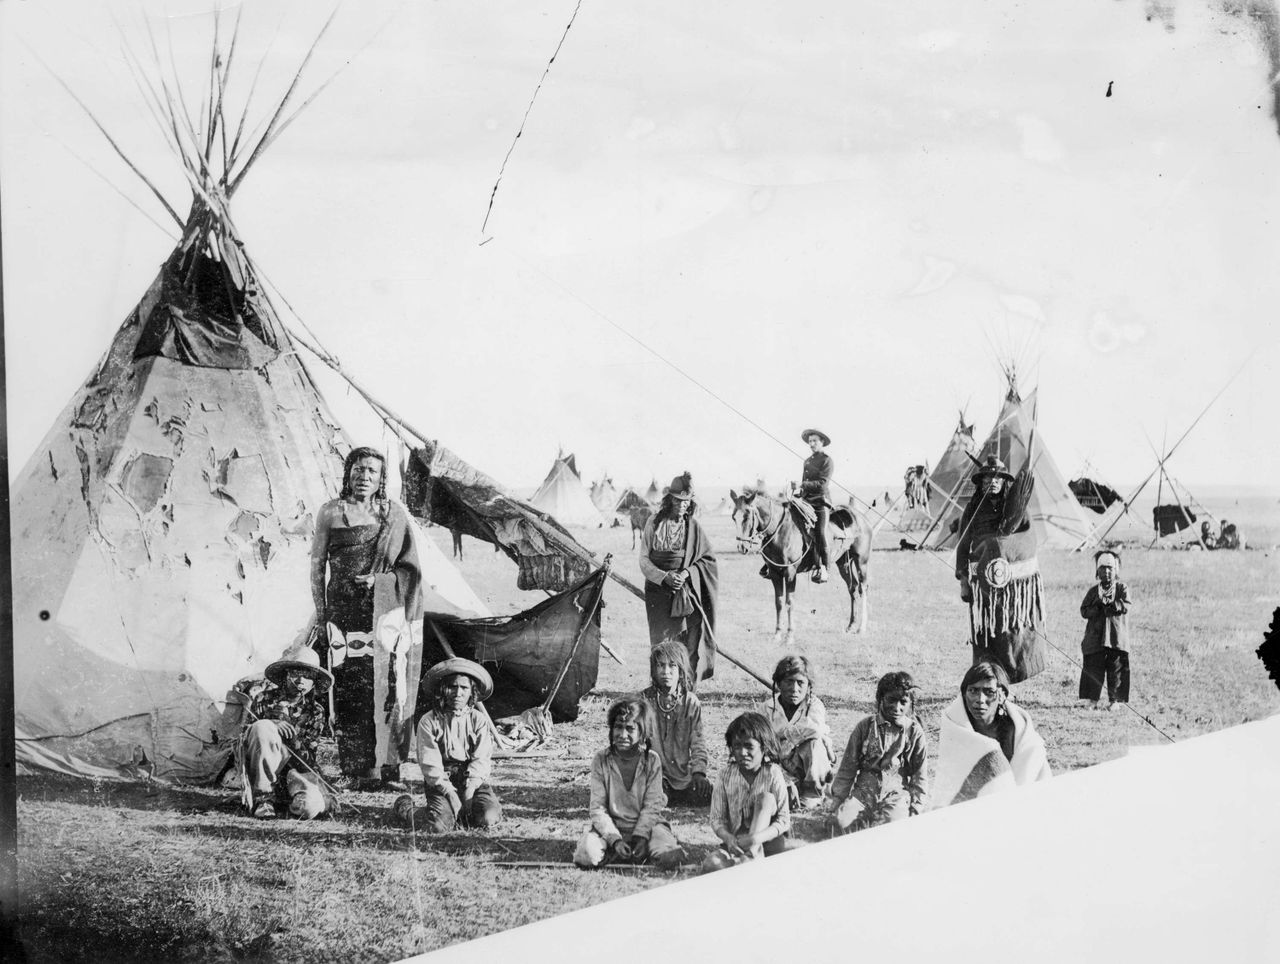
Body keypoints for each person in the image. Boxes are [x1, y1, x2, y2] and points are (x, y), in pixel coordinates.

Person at [311, 446, 424, 791]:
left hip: (383, 614)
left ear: (381, 478)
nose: (364, 477)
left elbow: (410, 569)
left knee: (388, 686)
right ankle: (356, 770)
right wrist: (321, 613)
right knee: (350, 688)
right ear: (348, 472)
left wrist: (381, 581)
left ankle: (388, 770)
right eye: (359, 469)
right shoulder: (330, 512)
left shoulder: (393, 514)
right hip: (343, 613)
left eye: (372, 471)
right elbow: (316, 568)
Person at [954, 453, 1047, 683]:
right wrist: (964, 581)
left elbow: (1028, 539)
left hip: (1012, 588)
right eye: (987, 478)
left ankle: (1012, 676)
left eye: (997, 478)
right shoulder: (972, 509)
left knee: (1011, 631)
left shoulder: (1018, 509)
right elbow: (963, 544)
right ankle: (989, 678)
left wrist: (1001, 546)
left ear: (1005, 481)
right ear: (981, 483)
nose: (992, 482)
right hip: (983, 587)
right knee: (987, 631)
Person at [574, 697, 684, 870]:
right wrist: (615, 840)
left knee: (669, 854)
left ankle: (645, 848)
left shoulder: (651, 761)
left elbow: (652, 806)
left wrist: (641, 836)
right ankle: (614, 849)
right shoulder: (601, 760)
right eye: (618, 727)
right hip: (612, 827)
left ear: (642, 733)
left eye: (630, 728)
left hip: (648, 826)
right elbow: (598, 808)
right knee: (585, 855)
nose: (622, 735)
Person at [394, 658, 502, 832]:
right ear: (442, 690)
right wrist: (450, 793)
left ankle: (467, 810)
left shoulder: (479, 720)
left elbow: (481, 758)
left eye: (464, 688)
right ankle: (406, 809)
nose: (458, 693)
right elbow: (430, 764)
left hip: (471, 779)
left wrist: (470, 790)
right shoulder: (429, 721)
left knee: (488, 818)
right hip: (442, 780)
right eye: (452, 686)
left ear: (472, 692)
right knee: (438, 826)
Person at [235, 644, 336, 820]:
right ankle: (264, 799)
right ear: (286, 675)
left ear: (313, 683)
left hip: (295, 773)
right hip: (262, 771)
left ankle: (285, 804)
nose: (301, 680)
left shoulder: (315, 711)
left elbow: (308, 760)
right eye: (296, 673)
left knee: (309, 807)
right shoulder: (263, 699)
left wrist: (291, 736)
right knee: (262, 727)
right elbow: (244, 739)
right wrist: (272, 724)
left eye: (307, 676)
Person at [932, 660, 1051, 809]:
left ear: (1002, 696)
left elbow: (1037, 779)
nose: (980, 700)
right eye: (973, 691)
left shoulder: (1020, 732)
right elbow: (950, 786)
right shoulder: (956, 727)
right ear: (964, 694)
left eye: (989, 692)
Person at [638, 472, 719, 685]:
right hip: (659, 593)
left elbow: (707, 559)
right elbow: (644, 560)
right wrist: (664, 577)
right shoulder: (653, 523)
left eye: (686, 501)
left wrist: (686, 573)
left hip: (686, 594)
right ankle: (661, 688)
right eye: (677, 500)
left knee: (689, 643)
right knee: (661, 644)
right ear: (669, 500)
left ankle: (685, 688)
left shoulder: (693, 527)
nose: (682, 505)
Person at [828, 671, 928, 833]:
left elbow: (920, 774)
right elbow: (848, 767)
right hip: (864, 792)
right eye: (891, 700)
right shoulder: (865, 727)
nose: (897, 707)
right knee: (842, 822)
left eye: (903, 702)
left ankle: (883, 817)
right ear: (881, 699)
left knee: (891, 828)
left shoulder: (914, 732)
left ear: (910, 703)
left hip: (895, 792)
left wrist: (916, 808)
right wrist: (838, 800)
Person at [701, 711, 796, 873]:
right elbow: (717, 819)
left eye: (749, 746)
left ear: (764, 747)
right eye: (737, 746)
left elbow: (783, 820)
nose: (742, 752)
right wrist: (728, 838)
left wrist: (754, 839)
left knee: (766, 799)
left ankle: (751, 857)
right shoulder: (724, 775)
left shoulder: (772, 773)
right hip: (736, 843)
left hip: (768, 841)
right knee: (711, 864)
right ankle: (745, 862)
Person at [640, 641, 712, 808]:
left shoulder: (690, 702)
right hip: (654, 773)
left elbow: (698, 742)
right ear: (653, 670)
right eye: (660, 665)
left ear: (680, 671)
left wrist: (699, 773)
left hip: (683, 777)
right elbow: (638, 744)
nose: (666, 671)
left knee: (706, 795)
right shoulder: (643, 701)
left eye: (672, 666)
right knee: (654, 797)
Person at [758, 654, 835, 809]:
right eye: (789, 682)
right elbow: (761, 742)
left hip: (808, 765)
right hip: (778, 765)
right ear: (779, 683)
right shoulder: (766, 709)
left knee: (814, 743)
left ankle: (812, 793)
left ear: (809, 686)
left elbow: (813, 730)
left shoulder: (814, 706)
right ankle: (789, 788)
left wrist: (781, 738)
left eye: (800, 683)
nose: (794, 689)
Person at [1078, 550, 1131, 710]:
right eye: (1102, 568)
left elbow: (1126, 605)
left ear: (1116, 571)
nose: (1106, 572)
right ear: (1097, 571)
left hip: (1115, 637)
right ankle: (1092, 700)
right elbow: (1084, 610)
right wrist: (1097, 607)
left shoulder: (1121, 588)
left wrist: (1113, 605)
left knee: (1116, 669)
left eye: (1110, 568)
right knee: (1094, 667)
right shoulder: (1094, 591)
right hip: (1095, 637)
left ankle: (1115, 701)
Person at [799, 429, 835, 583]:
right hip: (806, 501)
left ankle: (825, 569)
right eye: (810, 441)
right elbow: (804, 483)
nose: (811, 444)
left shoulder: (827, 461)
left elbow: (822, 484)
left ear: (822, 442)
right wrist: (798, 491)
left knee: (820, 533)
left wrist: (803, 484)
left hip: (820, 501)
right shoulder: (807, 461)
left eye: (814, 441)